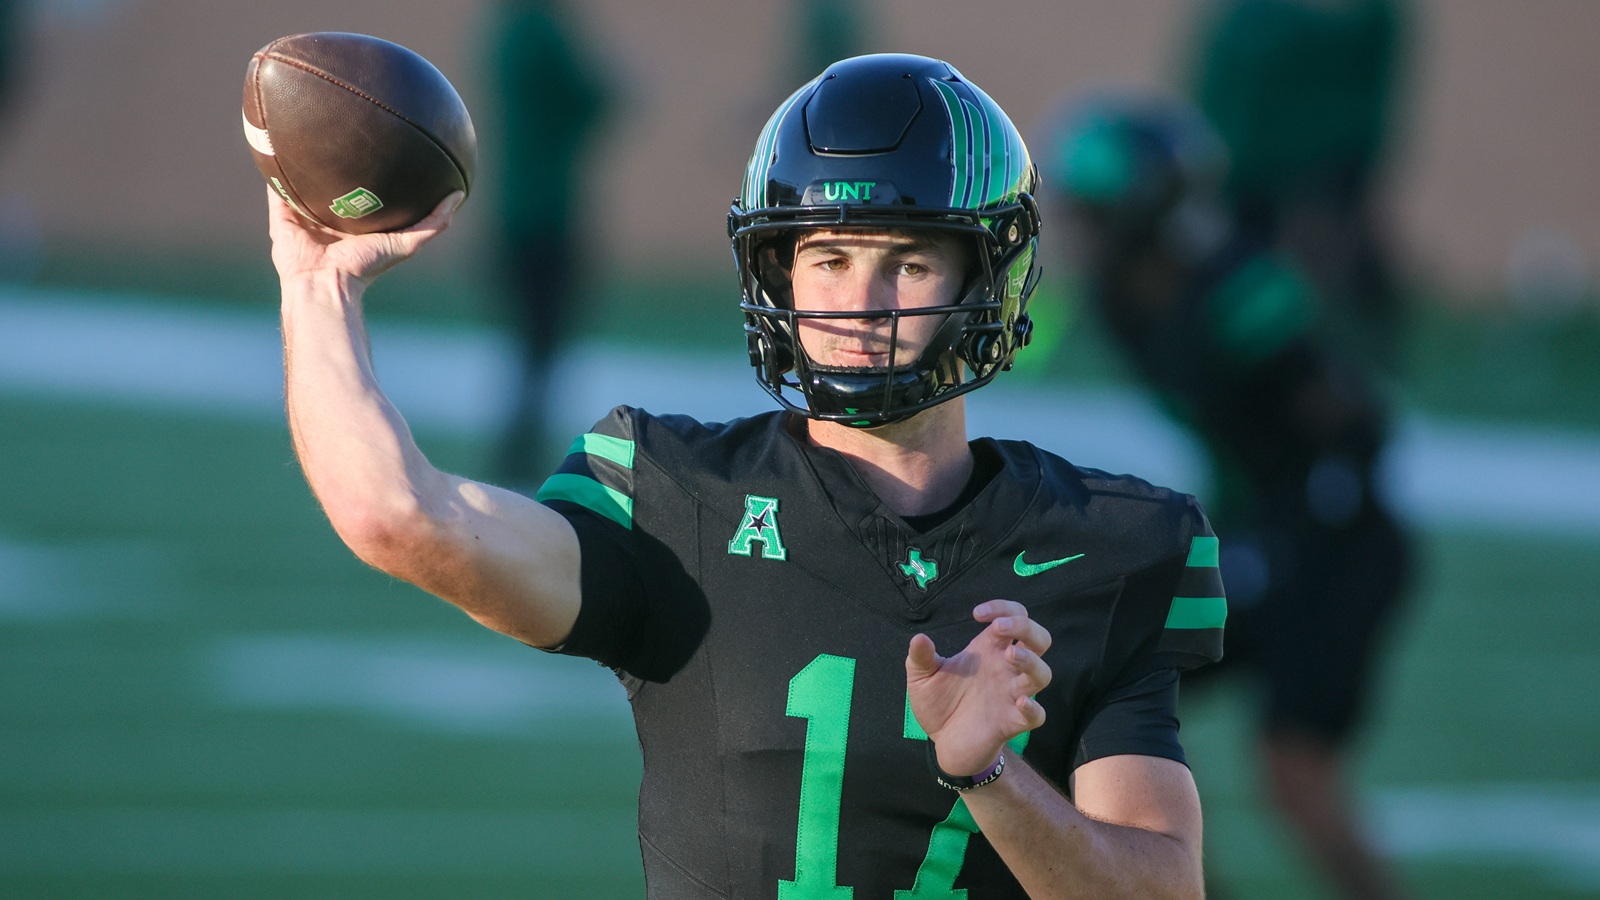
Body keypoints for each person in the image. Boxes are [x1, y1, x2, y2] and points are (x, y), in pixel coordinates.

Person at [268, 53, 1224, 898]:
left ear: (988, 278)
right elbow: (398, 515)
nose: (859, 304)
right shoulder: (669, 497)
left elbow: (1159, 891)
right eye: (829, 258)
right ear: (777, 275)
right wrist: (318, 287)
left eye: (909, 263)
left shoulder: (1109, 543)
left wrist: (992, 777)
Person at [1042, 91, 1413, 900]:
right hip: (1262, 534)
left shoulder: (1239, 289)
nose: (1082, 231)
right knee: (1097, 700)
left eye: (1094, 213)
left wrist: (1289, 533)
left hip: (1335, 546)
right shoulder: (1121, 299)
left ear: (1136, 213)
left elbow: (1355, 426)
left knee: (1296, 774)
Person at [1184, 0, 1413, 373]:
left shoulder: (1365, 22)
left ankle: (1341, 367)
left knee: (1322, 289)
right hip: (1250, 181)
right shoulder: (1252, 20)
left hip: (1317, 180)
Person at [482, 0, 613, 483]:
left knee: (528, 347)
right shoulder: (543, 33)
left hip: (513, 212)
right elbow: (590, 100)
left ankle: (516, 455)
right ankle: (517, 457)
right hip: (548, 215)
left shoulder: (508, 29)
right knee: (541, 347)